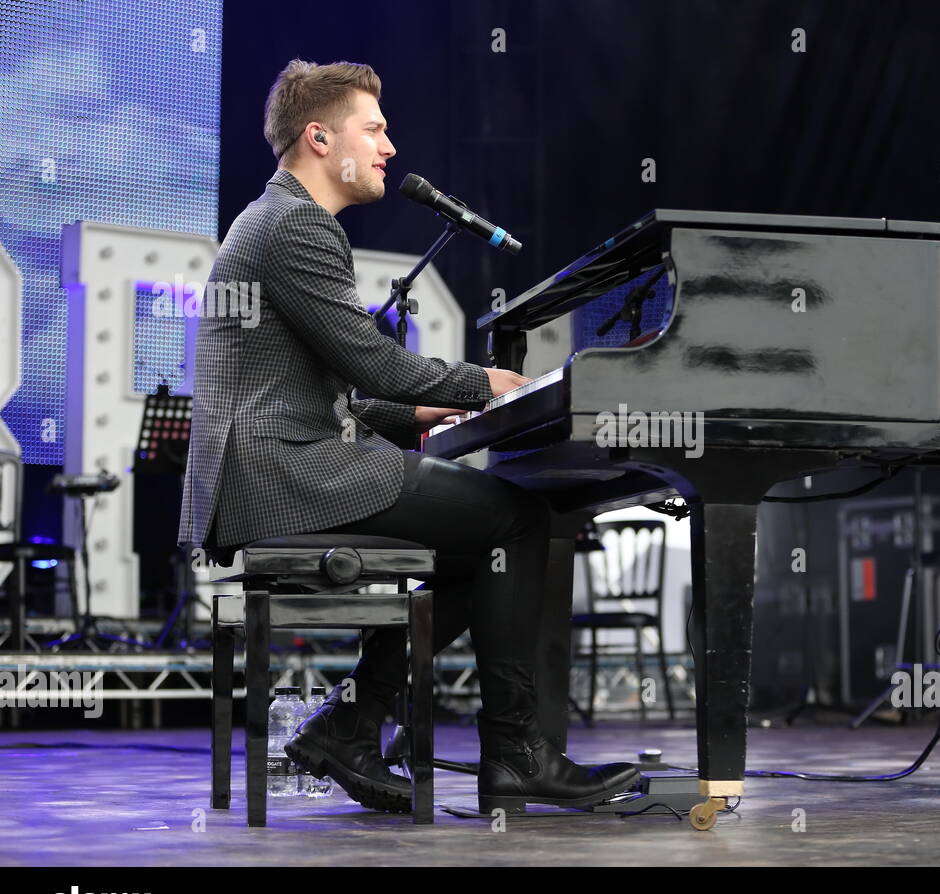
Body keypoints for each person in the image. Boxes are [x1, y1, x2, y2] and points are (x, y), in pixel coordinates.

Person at [178, 59, 638, 814]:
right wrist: (483, 384)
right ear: (321, 138)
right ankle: (515, 754)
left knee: (473, 551)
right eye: (376, 128)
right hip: (279, 474)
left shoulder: (274, 219)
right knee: (517, 519)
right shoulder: (295, 225)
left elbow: (337, 387)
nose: (390, 145)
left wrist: (420, 415)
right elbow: (374, 363)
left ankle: (350, 722)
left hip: (272, 466)